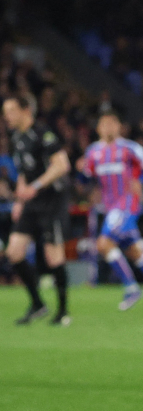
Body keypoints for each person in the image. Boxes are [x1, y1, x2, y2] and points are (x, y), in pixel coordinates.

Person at [78, 110, 143, 312]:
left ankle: (131, 288)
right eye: (104, 124)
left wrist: (138, 181)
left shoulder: (129, 148)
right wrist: (80, 171)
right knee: (134, 251)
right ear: (98, 128)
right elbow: (85, 180)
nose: (108, 127)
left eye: (112, 123)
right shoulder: (93, 152)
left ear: (118, 127)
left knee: (104, 243)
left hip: (127, 204)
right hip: (110, 207)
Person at [3, 94, 72, 326]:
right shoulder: (17, 138)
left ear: (25, 110)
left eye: (11, 110)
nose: (6, 116)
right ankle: (37, 304)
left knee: (53, 256)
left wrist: (36, 186)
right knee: (14, 252)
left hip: (51, 201)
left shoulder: (44, 134)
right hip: (31, 203)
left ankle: (63, 312)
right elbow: (24, 171)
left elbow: (62, 165)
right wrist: (19, 201)